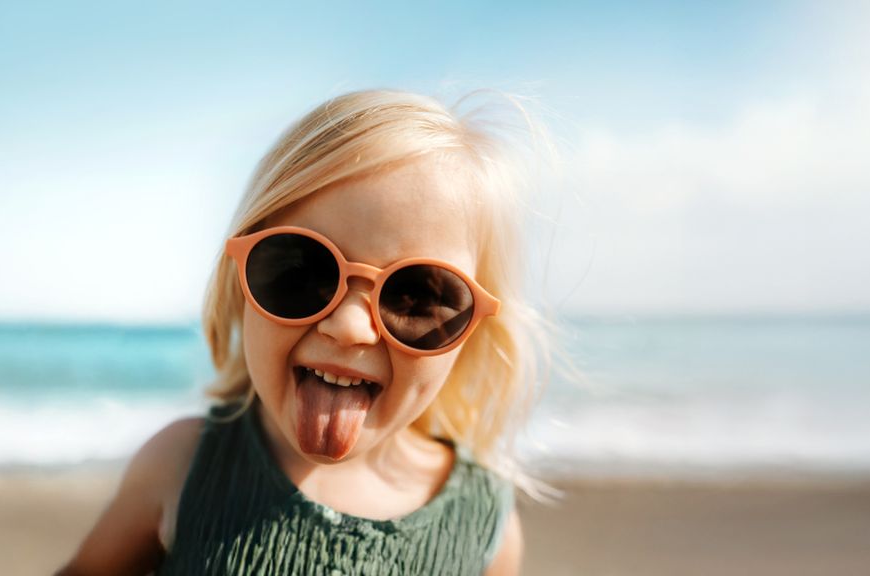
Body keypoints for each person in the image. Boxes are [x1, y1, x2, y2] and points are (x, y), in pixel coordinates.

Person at [62, 89, 555, 575]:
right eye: (302, 271)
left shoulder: (484, 527)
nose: (348, 327)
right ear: (239, 278)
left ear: (470, 329)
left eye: (417, 297)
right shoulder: (182, 466)